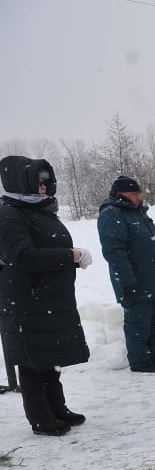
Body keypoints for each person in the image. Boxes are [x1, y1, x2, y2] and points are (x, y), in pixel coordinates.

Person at [0, 155, 91, 436]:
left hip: (49, 298)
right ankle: (41, 419)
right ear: (20, 181)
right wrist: (70, 256)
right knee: (33, 362)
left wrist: (68, 259)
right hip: (27, 300)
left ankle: (58, 408)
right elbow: (23, 256)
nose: (43, 187)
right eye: (37, 181)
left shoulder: (36, 210)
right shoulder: (9, 214)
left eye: (45, 181)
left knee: (50, 360)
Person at [98, 176, 155, 372]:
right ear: (120, 194)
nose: (137, 197)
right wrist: (126, 281)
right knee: (138, 323)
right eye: (133, 194)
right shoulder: (112, 214)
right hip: (135, 281)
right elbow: (114, 251)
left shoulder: (138, 212)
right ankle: (140, 361)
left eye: (138, 193)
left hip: (154, 279)